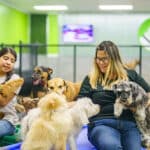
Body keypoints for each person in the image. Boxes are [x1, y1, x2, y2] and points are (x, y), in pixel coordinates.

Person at [77, 41, 150, 150]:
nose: (100, 62)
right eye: (98, 58)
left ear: (114, 59)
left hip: (129, 124)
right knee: (112, 146)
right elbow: (80, 103)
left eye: (104, 59)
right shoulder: (91, 79)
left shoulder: (130, 74)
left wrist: (140, 106)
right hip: (101, 124)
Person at [0, 47, 22, 138]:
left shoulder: (15, 79)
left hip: (8, 121)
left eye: (12, 61)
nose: (8, 62)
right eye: (5, 58)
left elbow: (3, 102)